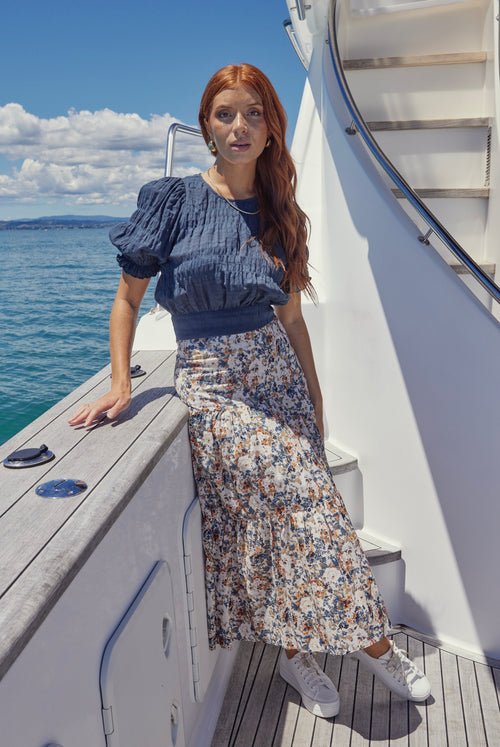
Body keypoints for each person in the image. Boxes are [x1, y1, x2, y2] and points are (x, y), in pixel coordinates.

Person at [69, 63, 431, 718]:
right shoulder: (172, 198)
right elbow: (127, 300)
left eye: (254, 114)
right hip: (212, 377)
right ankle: (377, 647)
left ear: (271, 131)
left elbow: (291, 318)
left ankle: (296, 657)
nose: (239, 126)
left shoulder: (279, 211)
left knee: (294, 512)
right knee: (301, 507)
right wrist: (122, 381)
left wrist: (315, 398)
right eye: (225, 114)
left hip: (278, 374)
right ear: (207, 126)